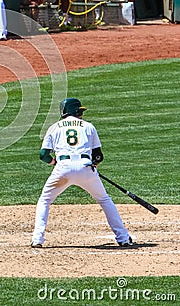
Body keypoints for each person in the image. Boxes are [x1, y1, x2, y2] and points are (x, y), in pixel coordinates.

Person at [31, 98, 134, 248]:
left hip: (63, 168)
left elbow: (43, 155)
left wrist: (55, 163)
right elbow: (98, 155)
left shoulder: (54, 128)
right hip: (86, 168)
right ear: (76, 111)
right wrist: (94, 165)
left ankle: (37, 239)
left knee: (45, 200)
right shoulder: (88, 127)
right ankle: (123, 238)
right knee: (104, 200)